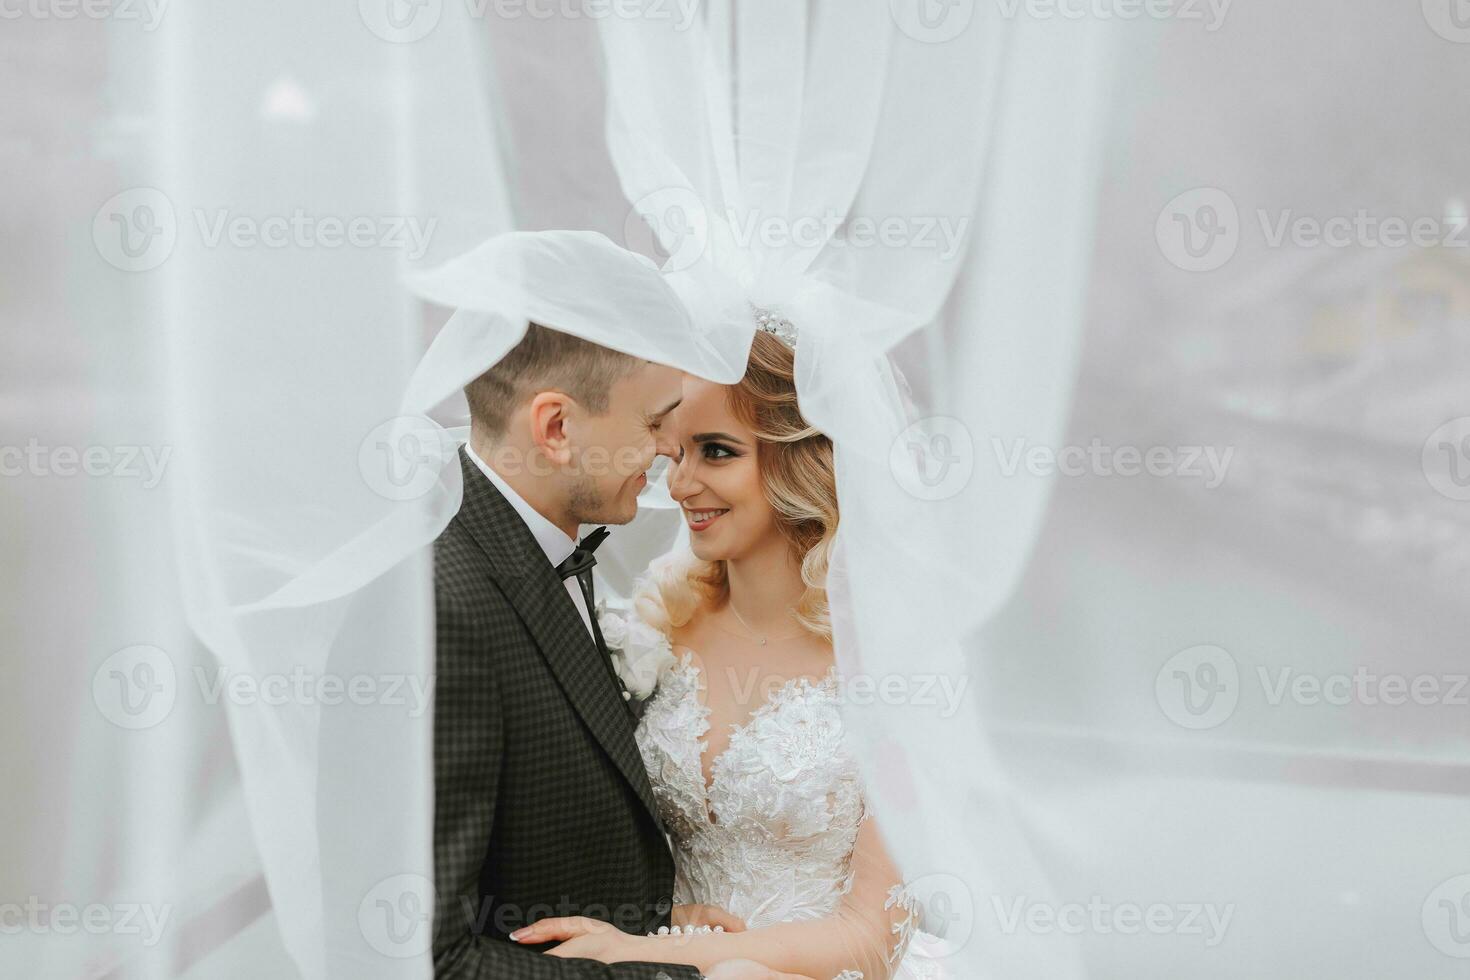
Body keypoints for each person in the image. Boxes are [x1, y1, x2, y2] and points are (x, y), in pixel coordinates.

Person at [511, 329, 923, 980]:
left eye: (716, 452)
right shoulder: (657, 628)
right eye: (674, 453)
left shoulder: (893, 666)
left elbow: (871, 938)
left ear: (803, 460)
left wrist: (658, 952)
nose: (679, 483)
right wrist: (671, 918)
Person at [433, 322, 808, 980]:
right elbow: (431, 958)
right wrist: (661, 972)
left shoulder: (548, 560)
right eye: (656, 423)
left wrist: (652, 926)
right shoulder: (447, 608)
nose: (669, 457)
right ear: (556, 428)